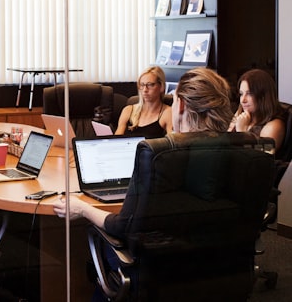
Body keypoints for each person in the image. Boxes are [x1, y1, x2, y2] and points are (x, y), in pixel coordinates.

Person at [53, 67, 234, 234]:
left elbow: (122, 225)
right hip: (228, 260)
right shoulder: (243, 151)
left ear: (180, 106)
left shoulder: (159, 158)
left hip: (161, 261)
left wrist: (82, 208)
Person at [228, 68, 285, 151]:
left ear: (263, 96)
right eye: (241, 94)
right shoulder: (243, 115)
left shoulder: (274, 125)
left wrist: (242, 132)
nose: (243, 100)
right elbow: (225, 147)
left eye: (249, 94)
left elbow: (260, 157)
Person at [114, 66, 172, 138]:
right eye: (142, 85)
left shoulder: (168, 113)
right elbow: (116, 141)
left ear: (161, 87)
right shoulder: (128, 110)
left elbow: (173, 144)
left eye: (150, 85)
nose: (145, 90)